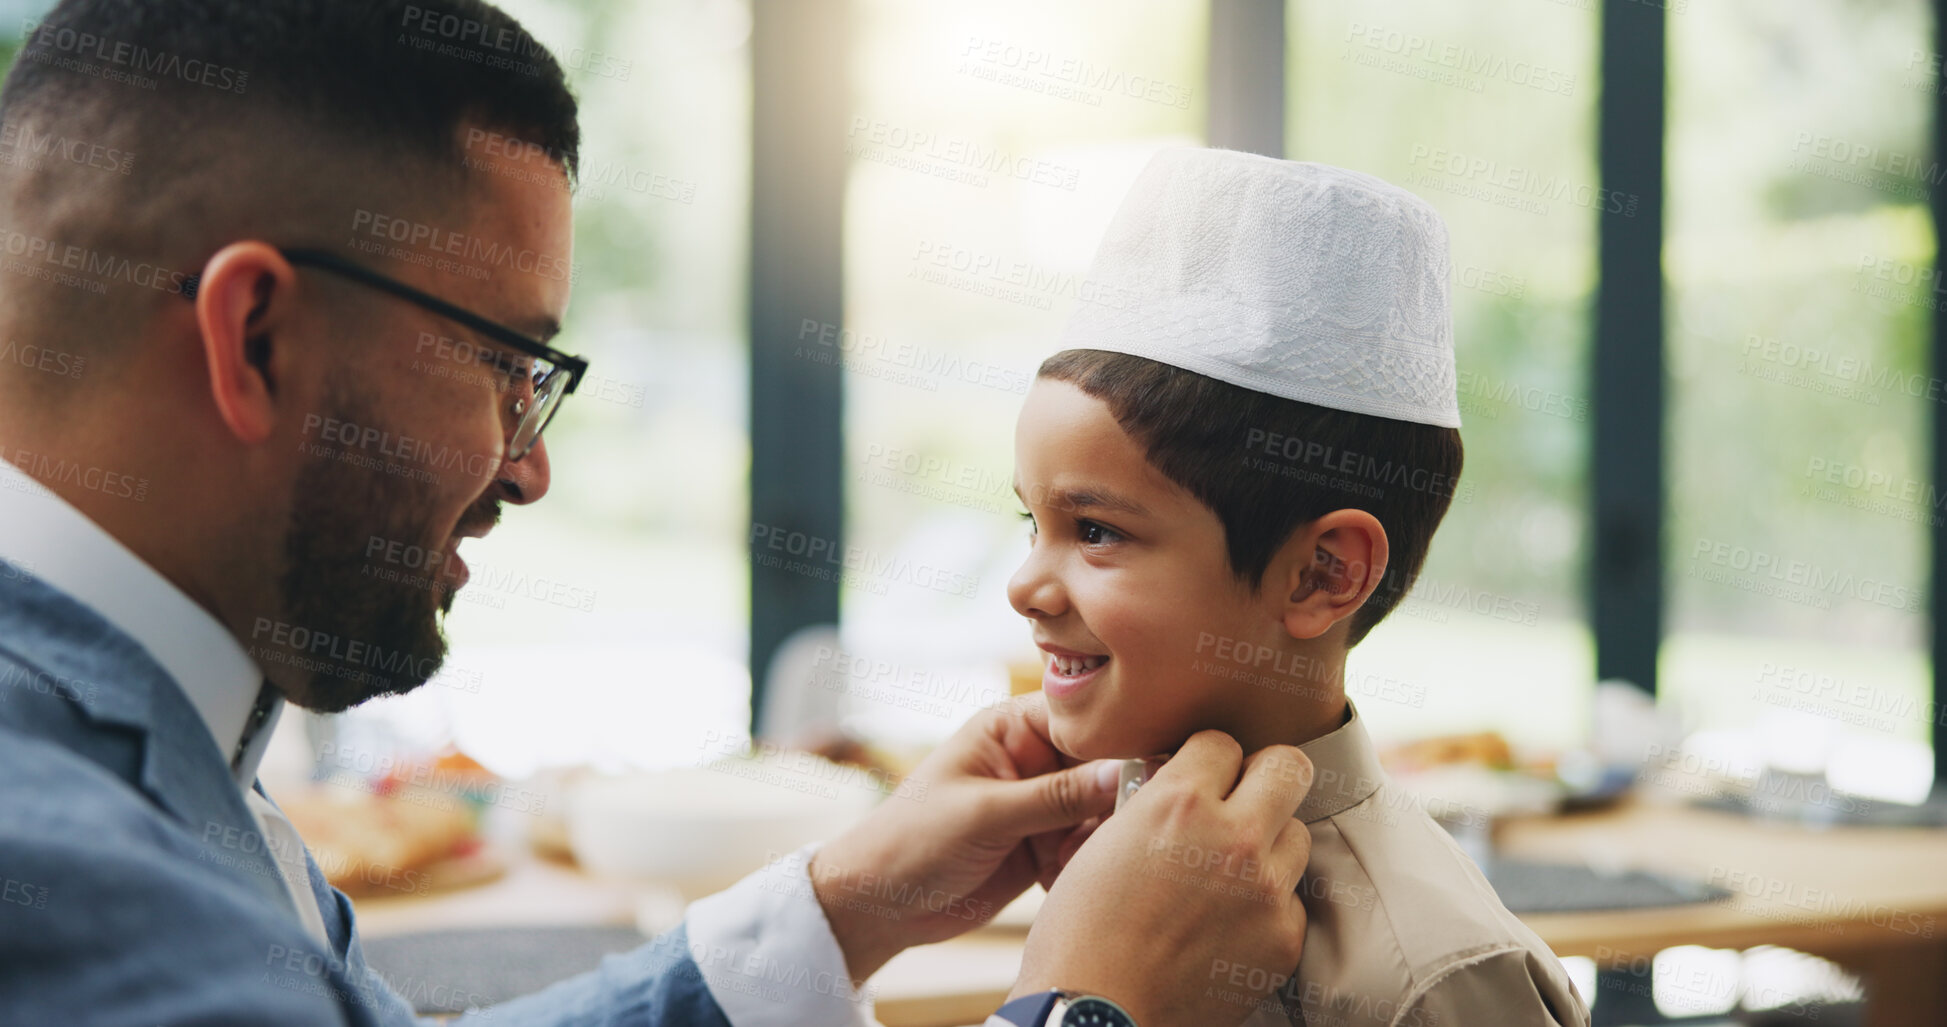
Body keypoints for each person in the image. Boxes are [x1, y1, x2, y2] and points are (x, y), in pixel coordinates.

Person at [0, 3, 1316, 1025]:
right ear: (258, 336)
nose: (529, 470)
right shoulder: (60, 861)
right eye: (503, 364)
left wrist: (840, 904)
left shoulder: (147, 725)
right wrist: (1090, 1003)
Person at [1003, 148, 1593, 1026]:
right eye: (1031, 524)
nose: (1024, 587)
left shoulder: (1429, 976)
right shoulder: (1099, 877)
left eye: (1096, 531)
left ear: (1324, 574)